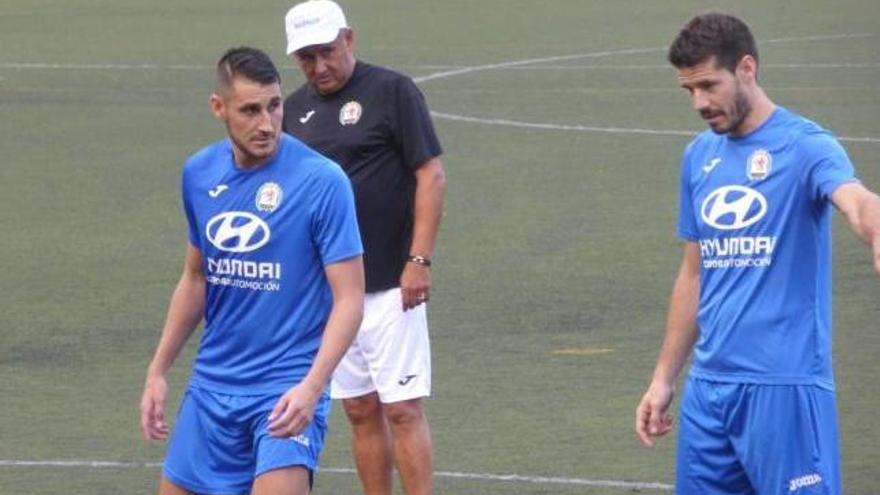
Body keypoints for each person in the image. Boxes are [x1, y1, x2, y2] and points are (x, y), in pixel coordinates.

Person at [635, 13, 880, 495]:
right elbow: (694, 275)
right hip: (709, 391)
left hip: (784, 388)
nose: (699, 103)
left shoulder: (806, 146)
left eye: (709, 85)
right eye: (689, 91)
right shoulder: (698, 158)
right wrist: (664, 379)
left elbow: (855, 199)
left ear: (747, 68)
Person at [139, 46, 365, 495]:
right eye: (250, 110)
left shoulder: (322, 182)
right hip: (211, 388)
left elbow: (350, 299)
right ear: (218, 108)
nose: (266, 124)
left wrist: (313, 387)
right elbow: (196, 278)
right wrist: (158, 370)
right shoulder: (200, 174)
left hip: (285, 391)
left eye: (275, 106)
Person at [280, 2, 447, 494]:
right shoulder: (292, 111)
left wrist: (418, 260)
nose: (320, 67)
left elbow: (430, 175)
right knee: (358, 407)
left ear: (349, 39)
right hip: (334, 293)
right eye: (306, 58)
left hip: (393, 284)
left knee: (402, 407)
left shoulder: (392, 91)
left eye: (327, 52)